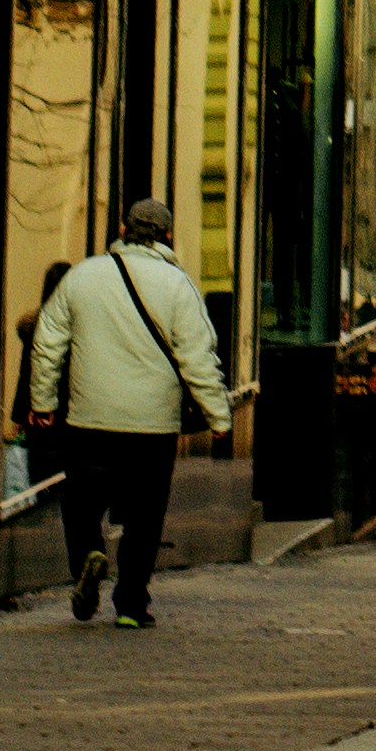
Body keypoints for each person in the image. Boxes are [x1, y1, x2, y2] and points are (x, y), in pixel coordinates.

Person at [26, 195, 231, 630]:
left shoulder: (83, 277)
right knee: (144, 517)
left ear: (122, 230)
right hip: (152, 428)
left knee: (81, 504)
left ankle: (87, 558)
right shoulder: (179, 286)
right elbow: (199, 358)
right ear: (168, 236)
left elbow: (47, 342)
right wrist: (219, 420)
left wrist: (43, 403)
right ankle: (131, 606)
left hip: (88, 421)